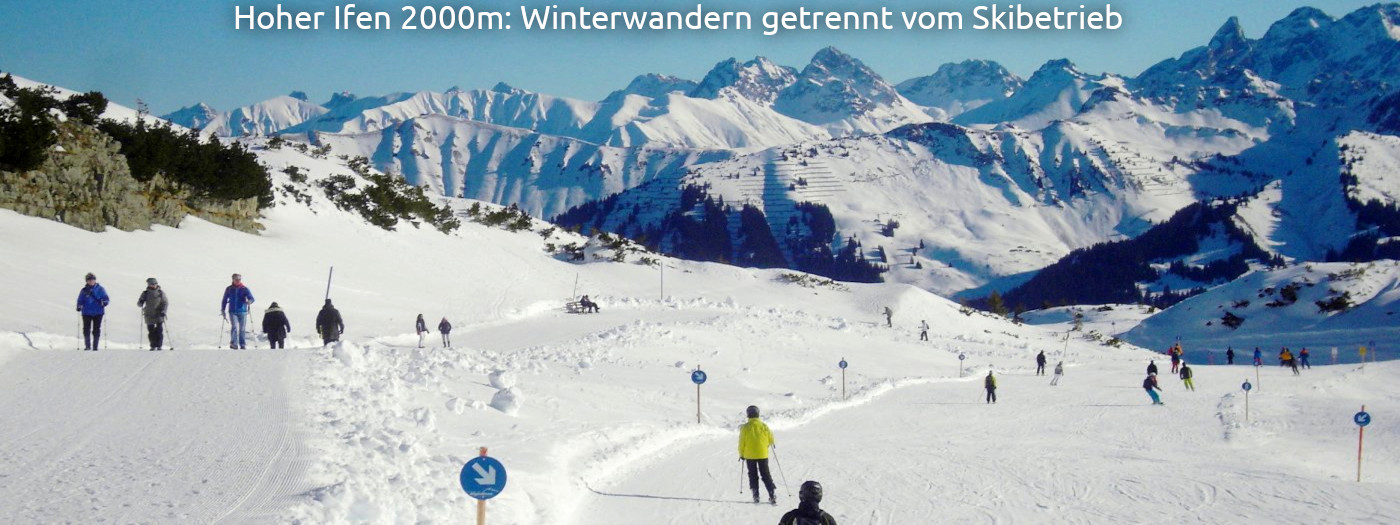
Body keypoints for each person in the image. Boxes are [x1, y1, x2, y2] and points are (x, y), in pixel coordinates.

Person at [739, 405, 777, 504]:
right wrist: (768, 444)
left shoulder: (745, 427)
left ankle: (756, 495)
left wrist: (741, 454)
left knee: (752, 474)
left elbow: (741, 442)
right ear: (758, 414)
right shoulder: (764, 426)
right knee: (765, 474)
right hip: (763, 454)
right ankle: (772, 494)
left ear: (748, 415)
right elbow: (771, 439)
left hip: (749, 455)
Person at [76, 272, 110, 351]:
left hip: (98, 312)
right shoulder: (84, 291)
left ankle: (95, 346)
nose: (91, 281)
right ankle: (87, 346)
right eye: (89, 280)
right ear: (87, 281)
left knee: (96, 329)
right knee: (86, 329)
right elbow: (80, 300)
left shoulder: (100, 289)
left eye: (92, 280)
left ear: (95, 280)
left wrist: (105, 302)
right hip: (87, 312)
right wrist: (79, 306)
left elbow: (106, 298)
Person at [220, 273, 255, 349]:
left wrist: (249, 301)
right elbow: (224, 299)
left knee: (242, 328)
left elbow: (252, 298)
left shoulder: (244, 289)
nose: (238, 280)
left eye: (239, 279)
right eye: (236, 279)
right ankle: (234, 343)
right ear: (233, 279)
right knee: (234, 327)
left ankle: (242, 344)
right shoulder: (229, 289)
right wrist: (223, 309)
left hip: (243, 311)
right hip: (232, 311)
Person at [136, 277, 167, 351]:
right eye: (152, 284)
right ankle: (153, 345)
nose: (154, 285)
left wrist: (163, 311)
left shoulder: (160, 293)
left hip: (159, 314)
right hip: (149, 314)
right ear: (149, 284)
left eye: (155, 284)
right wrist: (141, 302)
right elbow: (139, 303)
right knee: (151, 332)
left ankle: (159, 345)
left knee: (159, 330)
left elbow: (165, 303)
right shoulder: (145, 293)